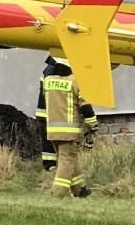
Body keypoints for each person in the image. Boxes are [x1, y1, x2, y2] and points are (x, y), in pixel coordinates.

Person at [41, 55, 96, 198]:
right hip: (69, 132)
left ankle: (80, 190)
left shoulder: (47, 82)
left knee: (67, 159)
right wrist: (93, 125)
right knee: (66, 162)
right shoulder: (75, 82)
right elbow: (86, 108)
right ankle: (57, 194)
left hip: (52, 130)